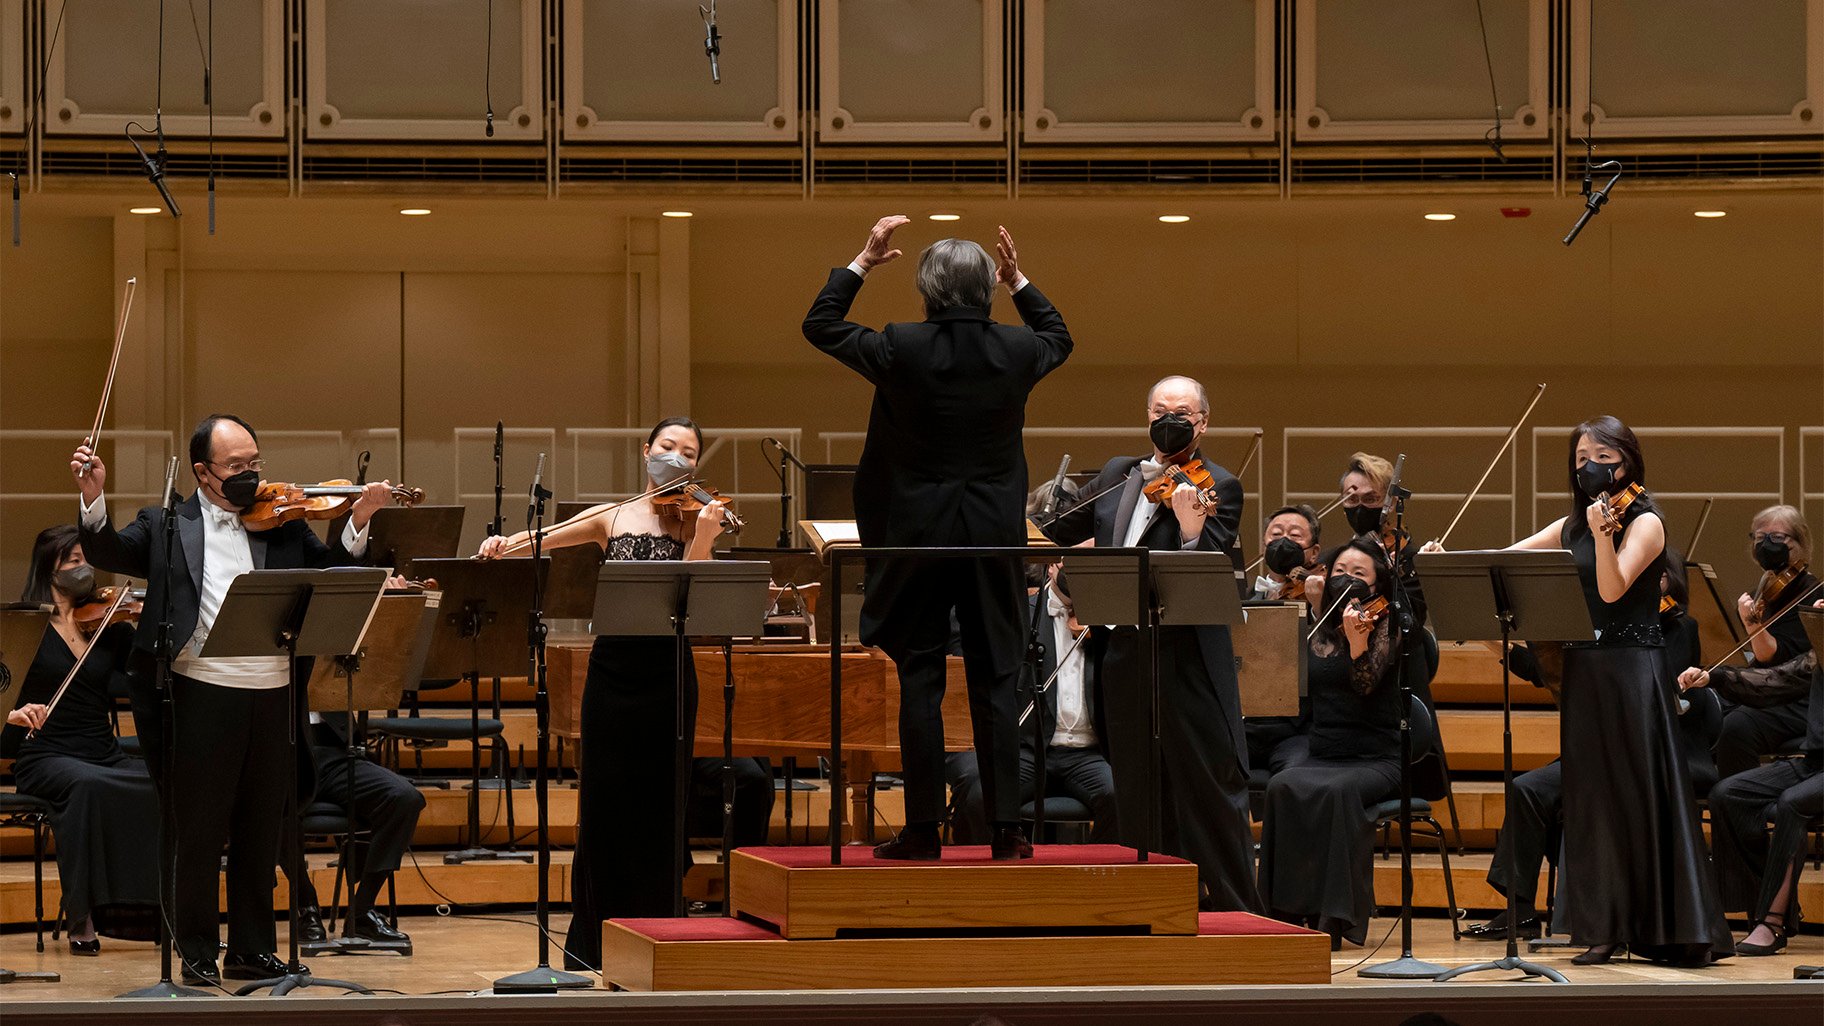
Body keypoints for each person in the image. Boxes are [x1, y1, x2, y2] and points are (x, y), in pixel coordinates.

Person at [72, 415, 393, 985]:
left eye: (255, 463)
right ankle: (194, 948)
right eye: (237, 467)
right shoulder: (166, 522)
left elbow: (335, 569)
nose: (251, 475)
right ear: (203, 471)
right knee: (197, 830)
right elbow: (112, 552)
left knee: (260, 828)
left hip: (272, 694)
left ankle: (251, 948)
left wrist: (359, 520)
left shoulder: (284, 524)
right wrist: (93, 498)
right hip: (199, 693)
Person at [802, 216, 1072, 861]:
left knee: (919, 677)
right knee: (996, 676)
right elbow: (1059, 336)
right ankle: (1007, 829)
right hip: (992, 541)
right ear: (987, 289)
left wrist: (863, 261)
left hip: (916, 539)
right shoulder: (1016, 350)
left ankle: (923, 830)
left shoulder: (901, 345)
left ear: (925, 291)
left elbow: (820, 324)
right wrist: (1021, 282)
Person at [1429, 416, 1731, 965]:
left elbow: (1614, 592)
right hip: (1585, 673)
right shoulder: (1569, 525)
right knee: (1590, 804)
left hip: (1631, 674)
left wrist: (1600, 535)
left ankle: (1652, 925)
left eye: (1600, 454)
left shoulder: (1647, 522)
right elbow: (1508, 557)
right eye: (1579, 457)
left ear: (1627, 459)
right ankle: (1603, 926)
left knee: (1630, 801)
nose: (1589, 465)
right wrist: (1449, 562)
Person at [478, 416, 729, 970]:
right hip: (613, 674)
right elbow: (539, 542)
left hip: (669, 674)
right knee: (606, 802)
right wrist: (503, 544)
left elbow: (693, 601)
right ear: (646, 451)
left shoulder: (694, 520)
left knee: (663, 803)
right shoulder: (610, 517)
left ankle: (658, 933)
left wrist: (707, 534)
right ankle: (595, 940)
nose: (677, 459)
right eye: (668, 447)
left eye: (689, 454)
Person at [1045, 376, 1260, 912]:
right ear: (1147, 416)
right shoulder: (1119, 473)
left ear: (1203, 422)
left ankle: (1240, 912)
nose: (1171, 419)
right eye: (1161, 410)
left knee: (1207, 793)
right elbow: (1057, 530)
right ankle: (1151, 908)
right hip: (1124, 659)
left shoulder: (1221, 484)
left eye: (1183, 412)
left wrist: (1191, 529)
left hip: (1187, 663)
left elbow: (1211, 577)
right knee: (1139, 793)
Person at [1464, 549, 1706, 941]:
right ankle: (1519, 908)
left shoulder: (1680, 628)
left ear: (1667, 581)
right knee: (1526, 789)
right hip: (1594, 749)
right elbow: (1551, 673)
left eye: (1653, 576)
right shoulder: (1600, 628)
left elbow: (1664, 692)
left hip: (1649, 752)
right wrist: (1502, 648)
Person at [0, 526, 159, 955]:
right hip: (45, 754)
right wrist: (13, 714)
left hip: (102, 750)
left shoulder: (107, 624)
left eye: (86, 558)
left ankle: (151, 913)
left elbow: (148, 678)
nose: (82, 567)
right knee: (88, 787)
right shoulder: (22, 624)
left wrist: (147, 629)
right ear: (47, 566)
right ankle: (82, 914)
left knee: (158, 783)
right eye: (72, 559)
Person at [1257, 539, 1403, 947]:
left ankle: (1332, 918)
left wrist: (1359, 645)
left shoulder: (1388, 625)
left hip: (1375, 756)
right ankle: (1283, 912)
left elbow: (1365, 686)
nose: (1348, 581)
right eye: (1340, 572)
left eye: (1359, 575)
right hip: (1324, 750)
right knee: (1282, 786)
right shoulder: (1319, 624)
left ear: (1378, 585)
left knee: (1337, 794)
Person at [1681, 606, 1824, 957]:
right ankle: (1756, 906)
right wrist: (1714, 678)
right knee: (1729, 794)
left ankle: (1772, 922)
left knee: (1792, 803)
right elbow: (1774, 681)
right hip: (1816, 763)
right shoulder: (1819, 654)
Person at [291, 716, 426, 948]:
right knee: (273, 806)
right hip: (285, 756)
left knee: (404, 798)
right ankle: (306, 905)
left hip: (337, 756)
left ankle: (362, 911)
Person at [1714, 506, 1815, 779]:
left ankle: (1743, 801)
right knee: (1706, 710)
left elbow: (1773, 657)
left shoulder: (1812, 594)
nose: (1767, 545)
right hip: (1766, 692)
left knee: (1737, 727)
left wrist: (1752, 625)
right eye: (1761, 538)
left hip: (1797, 698)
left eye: (1778, 538)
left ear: (1800, 543)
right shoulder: (1760, 592)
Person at [1245, 505, 1322, 776]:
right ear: (1265, 544)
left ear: (1314, 552)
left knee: (1295, 779)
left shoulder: (1326, 600)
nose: (1284, 541)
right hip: (1247, 725)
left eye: (1295, 535)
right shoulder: (1242, 599)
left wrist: (1318, 606)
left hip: (1298, 729)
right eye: (1276, 534)